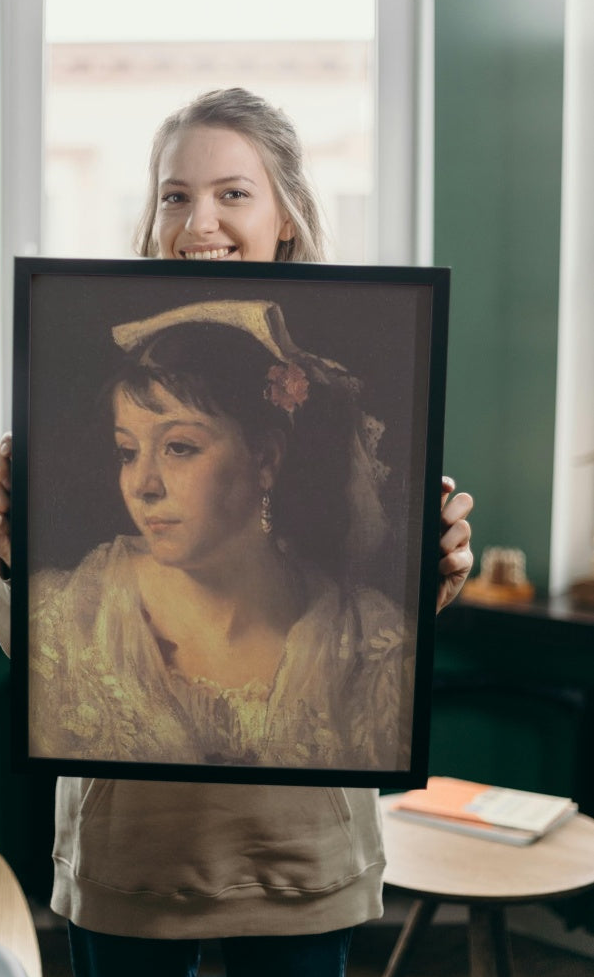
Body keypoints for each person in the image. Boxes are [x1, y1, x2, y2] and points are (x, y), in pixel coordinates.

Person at [0, 88, 473, 977]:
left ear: (285, 214)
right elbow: (37, 660)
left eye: (231, 193)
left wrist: (430, 573)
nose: (197, 220)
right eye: (174, 195)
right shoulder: (82, 597)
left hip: (296, 859)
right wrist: (12, 552)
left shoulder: (350, 613)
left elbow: (390, 658)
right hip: (132, 858)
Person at [26, 298, 413, 772]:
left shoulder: (366, 639)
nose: (144, 484)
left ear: (265, 459)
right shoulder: (64, 615)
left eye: (179, 447)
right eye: (127, 452)